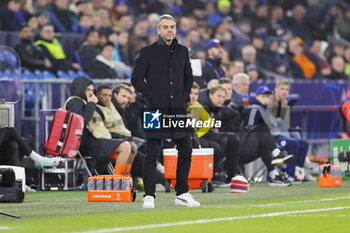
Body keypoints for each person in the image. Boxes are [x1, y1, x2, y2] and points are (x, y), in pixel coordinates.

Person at [131, 14, 198, 208]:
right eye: (165, 27)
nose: (169, 30)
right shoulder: (147, 52)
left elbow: (189, 78)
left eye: (172, 27)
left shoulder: (183, 52)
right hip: (154, 109)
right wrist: (150, 95)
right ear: (158, 30)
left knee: (185, 149)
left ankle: (182, 193)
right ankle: (149, 195)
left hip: (177, 109)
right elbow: (136, 79)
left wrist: (183, 98)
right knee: (152, 151)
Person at [64, 76, 132, 176]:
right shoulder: (74, 101)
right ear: (80, 88)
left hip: (92, 141)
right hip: (84, 144)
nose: (91, 93)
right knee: (125, 147)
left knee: (129, 146)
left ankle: (121, 179)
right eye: (88, 89)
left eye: (92, 90)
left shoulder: (84, 101)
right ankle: (119, 180)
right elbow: (82, 121)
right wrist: (91, 104)